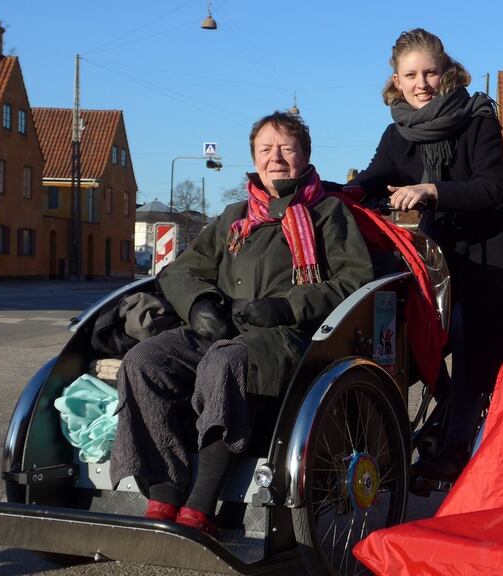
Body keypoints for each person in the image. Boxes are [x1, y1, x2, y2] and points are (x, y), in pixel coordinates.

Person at [110, 111, 374, 535]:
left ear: (305, 155)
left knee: (225, 363)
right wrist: (198, 305)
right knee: (145, 360)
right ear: (253, 157)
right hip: (222, 329)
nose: (276, 158)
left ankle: (201, 503)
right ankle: (163, 494)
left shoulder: (328, 213)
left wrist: (287, 307)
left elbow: (355, 281)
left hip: (289, 337)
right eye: (266, 149)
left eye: (287, 148)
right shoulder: (235, 215)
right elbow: (180, 271)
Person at [348, 28, 503, 482]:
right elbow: (374, 179)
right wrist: (330, 195)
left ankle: (453, 449)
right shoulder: (398, 132)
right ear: (396, 78)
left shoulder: (477, 117)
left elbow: (492, 188)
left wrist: (431, 189)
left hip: (495, 248)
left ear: (446, 71)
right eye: (411, 75)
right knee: (414, 334)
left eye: (430, 72)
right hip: (442, 249)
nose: (421, 84)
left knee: (469, 336)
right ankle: (442, 419)